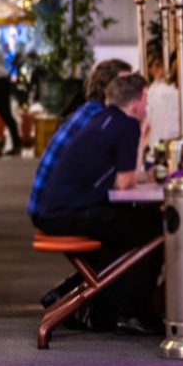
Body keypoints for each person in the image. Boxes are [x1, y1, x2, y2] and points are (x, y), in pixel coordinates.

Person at [30, 73, 163, 333]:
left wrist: (143, 175)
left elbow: (118, 178)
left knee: (131, 229)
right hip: (68, 213)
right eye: (146, 100)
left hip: (54, 210)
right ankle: (133, 310)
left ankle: (99, 303)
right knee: (158, 229)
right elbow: (124, 184)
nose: (147, 106)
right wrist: (144, 131)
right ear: (136, 104)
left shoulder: (103, 119)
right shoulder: (127, 125)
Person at [28, 58, 133, 310]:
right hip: (58, 211)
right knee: (140, 230)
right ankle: (124, 308)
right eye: (127, 84)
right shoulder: (103, 120)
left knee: (123, 227)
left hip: (47, 206)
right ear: (111, 88)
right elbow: (121, 179)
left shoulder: (88, 113)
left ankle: (71, 294)